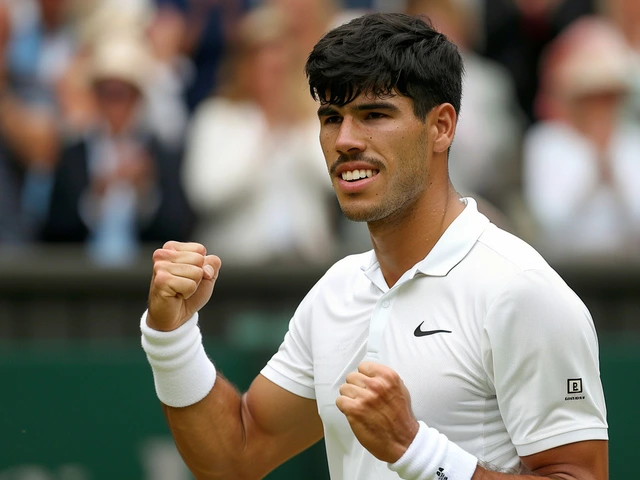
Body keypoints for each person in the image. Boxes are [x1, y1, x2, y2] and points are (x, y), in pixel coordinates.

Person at [140, 13, 608, 480]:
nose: (344, 140)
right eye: (330, 117)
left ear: (441, 127)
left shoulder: (521, 290)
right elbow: (235, 457)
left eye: (374, 115)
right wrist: (172, 337)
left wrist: (416, 450)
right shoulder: (336, 292)